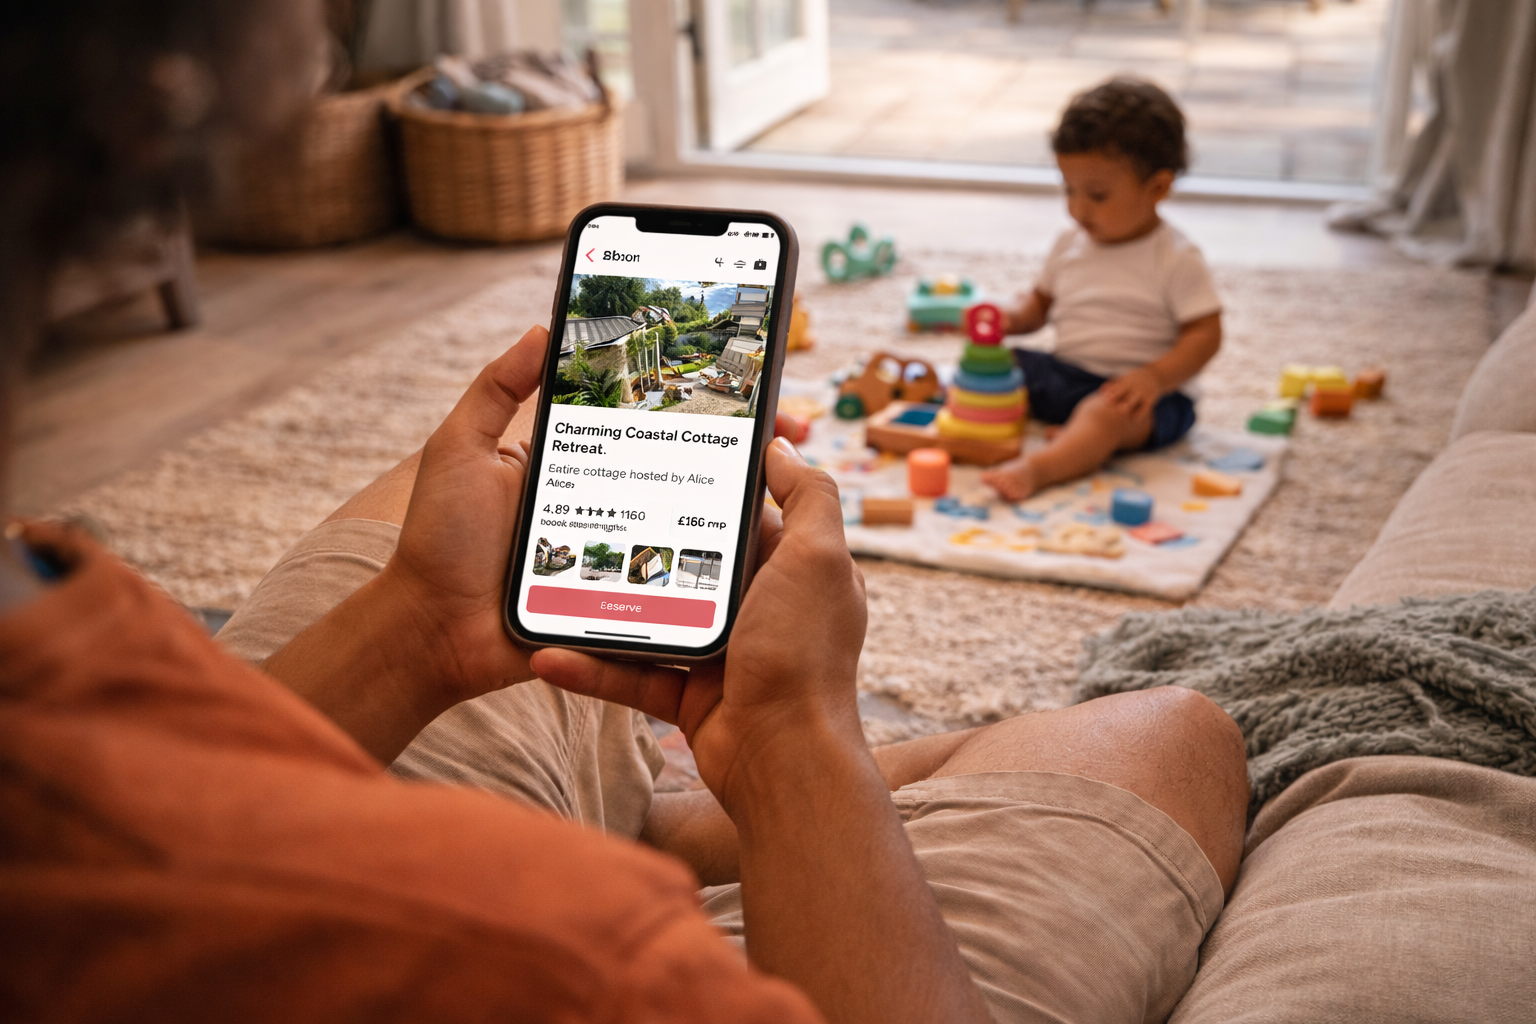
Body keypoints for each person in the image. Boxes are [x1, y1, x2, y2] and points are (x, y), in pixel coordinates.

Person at [0, 4, 1250, 1020]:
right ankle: (713, 796)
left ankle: (645, 805)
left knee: (548, 453)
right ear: (149, 93)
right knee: (1180, 730)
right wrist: (798, 737)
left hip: (349, 733)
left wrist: (422, 624)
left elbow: (155, 800)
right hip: (540, 899)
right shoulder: (584, 965)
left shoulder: (50, 642)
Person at [982, 78, 1224, 502]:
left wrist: (1155, 377)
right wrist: (1011, 319)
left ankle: (1041, 467)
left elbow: (1206, 334)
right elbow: (1038, 305)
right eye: (1069, 189)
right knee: (997, 368)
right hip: (1068, 373)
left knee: (1102, 414)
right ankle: (1071, 434)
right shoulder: (1068, 244)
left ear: (1158, 188)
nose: (1078, 208)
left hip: (1146, 400)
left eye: (1096, 194)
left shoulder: (1175, 257)